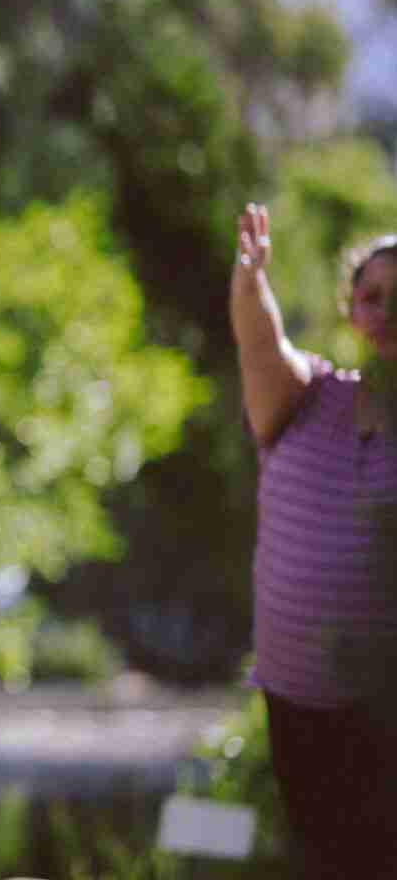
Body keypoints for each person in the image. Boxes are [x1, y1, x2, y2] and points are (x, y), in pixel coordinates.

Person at [230, 206, 397, 879]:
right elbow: (260, 341)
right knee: (326, 861)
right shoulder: (303, 397)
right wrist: (250, 283)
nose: (387, 311)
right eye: (373, 295)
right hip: (295, 702)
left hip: (384, 708)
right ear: (350, 308)